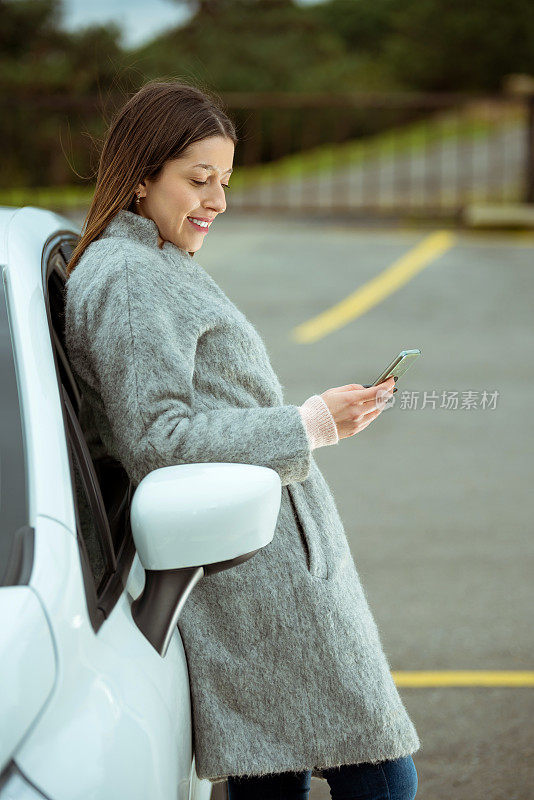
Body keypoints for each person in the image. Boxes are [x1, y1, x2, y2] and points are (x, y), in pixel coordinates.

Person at [64, 79, 420, 800]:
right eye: (199, 180)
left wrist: (318, 420)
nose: (217, 202)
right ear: (141, 175)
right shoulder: (131, 276)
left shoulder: (149, 260)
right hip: (251, 574)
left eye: (224, 181)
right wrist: (312, 423)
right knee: (383, 779)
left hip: (261, 561)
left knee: (271, 781)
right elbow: (155, 436)